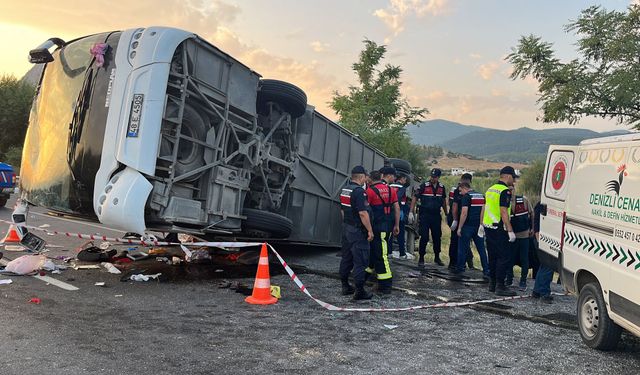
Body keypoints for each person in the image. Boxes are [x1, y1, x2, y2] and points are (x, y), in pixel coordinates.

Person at [339, 165, 374, 300]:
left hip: (347, 228)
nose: (367, 178)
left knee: (346, 258)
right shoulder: (359, 192)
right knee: (361, 260)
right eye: (366, 176)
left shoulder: (345, 189)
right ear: (362, 177)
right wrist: (370, 230)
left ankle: (345, 285)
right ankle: (359, 291)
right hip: (358, 231)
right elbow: (363, 213)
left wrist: (347, 223)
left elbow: (342, 210)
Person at [482, 166, 518, 296]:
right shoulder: (505, 191)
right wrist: (510, 230)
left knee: (492, 256)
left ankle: (492, 284)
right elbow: (504, 211)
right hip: (499, 228)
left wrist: (481, 224)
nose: (513, 182)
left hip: (488, 227)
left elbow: (484, 207)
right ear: (507, 176)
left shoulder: (490, 189)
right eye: (513, 178)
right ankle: (500, 286)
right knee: (503, 257)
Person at [366, 166, 400, 294]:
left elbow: (365, 211)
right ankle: (366, 275)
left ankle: (386, 285)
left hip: (377, 226)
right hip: (388, 226)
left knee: (381, 255)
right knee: (375, 253)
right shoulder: (392, 190)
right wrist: (396, 225)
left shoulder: (370, 191)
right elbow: (396, 208)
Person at [409, 168, 447, 267]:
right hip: (425, 215)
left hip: (436, 215)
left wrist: (447, 213)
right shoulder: (424, 186)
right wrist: (411, 212)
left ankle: (437, 257)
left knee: (437, 237)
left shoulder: (442, 187)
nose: (432, 178)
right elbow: (415, 197)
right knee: (424, 237)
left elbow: (443, 201)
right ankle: (421, 258)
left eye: (434, 177)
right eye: (431, 176)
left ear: (438, 177)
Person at [455, 182, 490, 278]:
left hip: (467, 227)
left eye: (460, 190)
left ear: (464, 188)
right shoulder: (481, 196)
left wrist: (459, 227)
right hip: (478, 226)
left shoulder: (466, 197)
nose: (460, 193)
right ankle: (486, 270)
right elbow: (484, 210)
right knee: (482, 249)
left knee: (462, 248)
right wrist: (482, 224)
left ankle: (460, 269)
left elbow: (464, 213)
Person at [505, 182, 534, 291]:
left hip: (523, 235)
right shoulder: (505, 202)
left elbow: (532, 214)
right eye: (509, 189)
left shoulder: (524, 200)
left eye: (512, 189)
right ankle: (510, 278)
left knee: (524, 259)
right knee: (510, 258)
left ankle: (522, 281)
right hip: (512, 235)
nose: (511, 191)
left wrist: (532, 228)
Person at [447, 173, 475, 270]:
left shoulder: (470, 192)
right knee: (455, 241)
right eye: (464, 181)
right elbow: (454, 206)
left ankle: (465, 263)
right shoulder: (456, 191)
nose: (464, 183)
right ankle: (453, 263)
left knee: (464, 242)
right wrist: (454, 220)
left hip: (464, 220)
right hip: (456, 218)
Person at [532, 202, 554, 303]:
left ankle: (536, 291)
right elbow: (536, 221)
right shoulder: (542, 205)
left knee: (543, 266)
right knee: (548, 266)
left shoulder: (541, 204)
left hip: (542, 238)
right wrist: (538, 237)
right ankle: (544, 293)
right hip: (542, 238)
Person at [390, 173, 414, 260]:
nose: (405, 181)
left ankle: (389, 252)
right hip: (399, 212)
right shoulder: (402, 188)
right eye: (405, 179)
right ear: (402, 178)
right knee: (400, 233)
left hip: (389, 212)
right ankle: (402, 253)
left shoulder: (390, 186)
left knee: (390, 234)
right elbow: (398, 198)